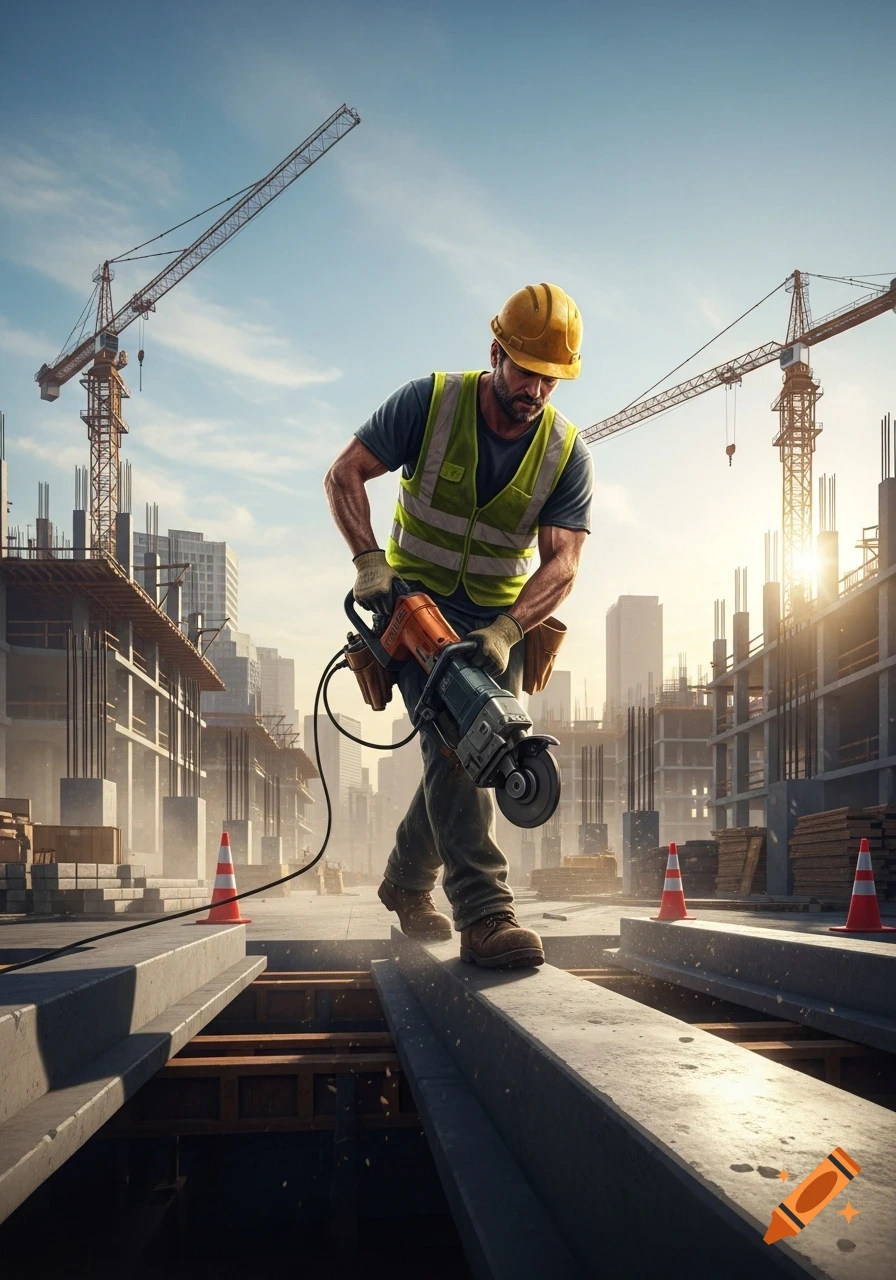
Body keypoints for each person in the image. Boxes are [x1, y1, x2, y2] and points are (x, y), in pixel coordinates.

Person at [324, 283, 593, 968]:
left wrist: (508, 629)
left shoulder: (566, 453)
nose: (536, 389)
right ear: (496, 351)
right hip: (411, 609)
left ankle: (406, 880)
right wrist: (368, 563)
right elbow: (345, 474)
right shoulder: (431, 402)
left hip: (493, 624)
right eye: (526, 370)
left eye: (550, 378)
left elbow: (564, 562)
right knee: (462, 744)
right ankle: (484, 914)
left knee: (479, 749)